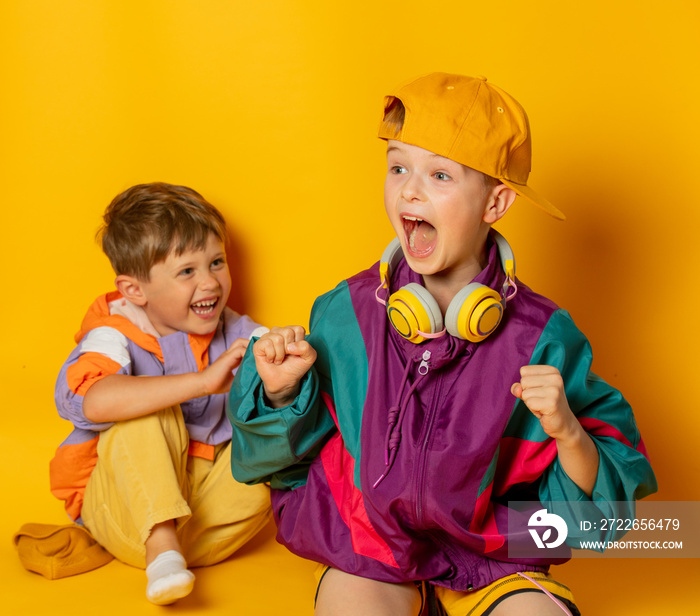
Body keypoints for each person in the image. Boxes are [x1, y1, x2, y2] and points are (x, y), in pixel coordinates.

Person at [227, 74, 657, 615]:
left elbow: (607, 516)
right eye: (399, 167)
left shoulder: (545, 337)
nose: (410, 190)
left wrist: (568, 430)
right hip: (373, 549)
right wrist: (282, 395)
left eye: (439, 175)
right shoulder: (347, 314)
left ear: (495, 203)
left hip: (496, 556)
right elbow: (271, 464)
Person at [51, 182, 271, 605]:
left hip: (203, 528)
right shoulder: (114, 331)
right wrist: (203, 382)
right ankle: (161, 541)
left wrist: (286, 356)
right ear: (135, 290)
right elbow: (92, 399)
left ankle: (174, 551)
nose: (209, 283)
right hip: (127, 516)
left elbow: (277, 367)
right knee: (144, 406)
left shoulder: (237, 330)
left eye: (216, 262)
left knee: (279, 444)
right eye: (187, 271)